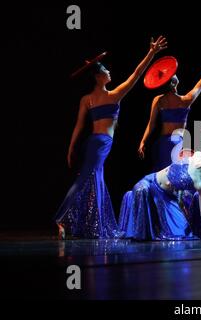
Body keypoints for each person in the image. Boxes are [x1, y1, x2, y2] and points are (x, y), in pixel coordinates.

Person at [55, 36, 168, 239]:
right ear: (98, 76)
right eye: (106, 70)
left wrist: (71, 147)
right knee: (90, 179)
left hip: (93, 142)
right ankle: (64, 219)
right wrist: (151, 53)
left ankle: (83, 223)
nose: (109, 72)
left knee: (90, 179)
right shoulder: (113, 95)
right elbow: (137, 74)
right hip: (101, 143)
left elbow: (79, 127)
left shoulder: (87, 99)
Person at [119, 137, 201, 241]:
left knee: (183, 232)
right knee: (141, 190)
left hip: (167, 197)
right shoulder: (196, 155)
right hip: (150, 183)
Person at [138, 51, 201, 172]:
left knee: (161, 176)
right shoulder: (186, 100)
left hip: (163, 143)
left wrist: (143, 141)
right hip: (177, 142)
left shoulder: (158, 100)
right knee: (176, 176)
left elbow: (151, 124)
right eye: (173, 74)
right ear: (173, 82)